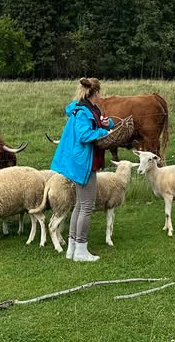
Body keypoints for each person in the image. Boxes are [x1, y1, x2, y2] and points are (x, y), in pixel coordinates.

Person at [50, 76, 114, 262]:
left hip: (83, 160)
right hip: (84, 162)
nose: (101, 96)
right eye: (100, 93)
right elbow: (84, 135)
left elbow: (99, 122)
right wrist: (104, 132)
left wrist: (107, 124)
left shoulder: (86, 108)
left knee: (80, 204)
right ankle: (81, 250)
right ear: (96, 92)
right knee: (87, 206)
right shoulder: (84, 112)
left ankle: (72, 248)